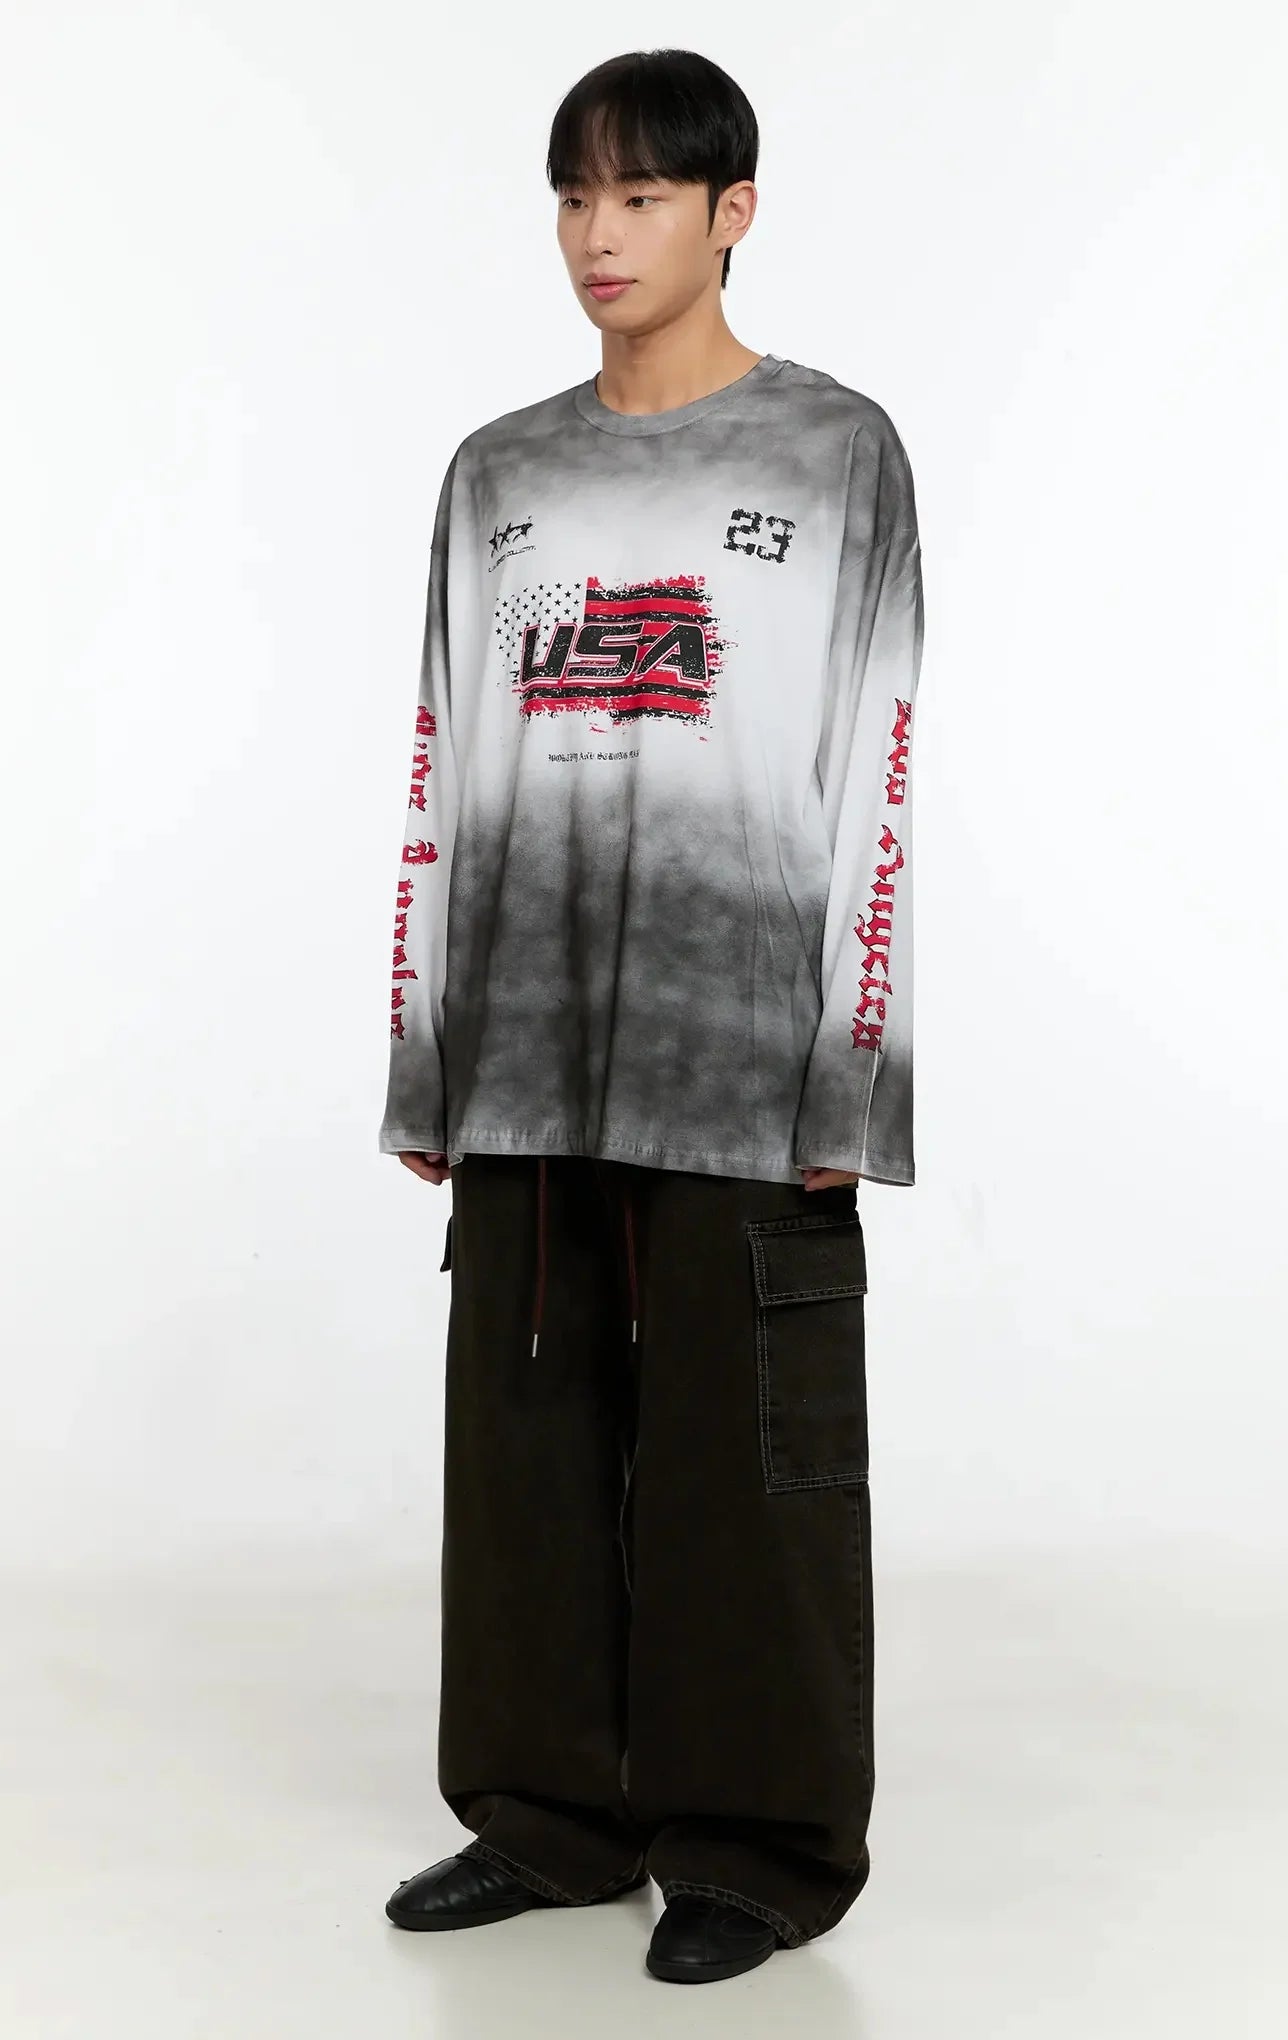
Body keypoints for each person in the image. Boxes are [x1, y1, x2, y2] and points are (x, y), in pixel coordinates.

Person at [376, 46, 925, 1986]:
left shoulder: (832, 450)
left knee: (745, 1460)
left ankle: (754, 1851)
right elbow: (443, 761)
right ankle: (546, 1812)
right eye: (574, 196)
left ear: (729, 212)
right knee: (522, 1442)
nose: (598, 235)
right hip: (529, 1044)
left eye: (640, 196)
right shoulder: (500, 473)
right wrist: (425, 1045)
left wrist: (857, 1064)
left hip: (741, 1049)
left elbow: (875, 756)